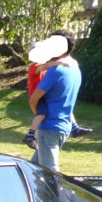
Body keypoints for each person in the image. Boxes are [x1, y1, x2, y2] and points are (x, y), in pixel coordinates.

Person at [23, 32, 92, 149]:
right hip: (38, 96)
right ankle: (30, 135)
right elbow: (44, 68)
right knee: (41, 114)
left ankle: (75, 128)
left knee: (65, 107)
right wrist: (57, 63)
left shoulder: (49, 67)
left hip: (43, 95)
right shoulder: (34, 66)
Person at [26, 34, 81, 172]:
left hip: (49, 129)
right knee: (34, 169)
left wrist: (36, 111)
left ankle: (57, 194)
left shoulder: (55, 71)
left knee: (50, 174)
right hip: (63, 127)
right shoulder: (75, 69)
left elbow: (34, 99)